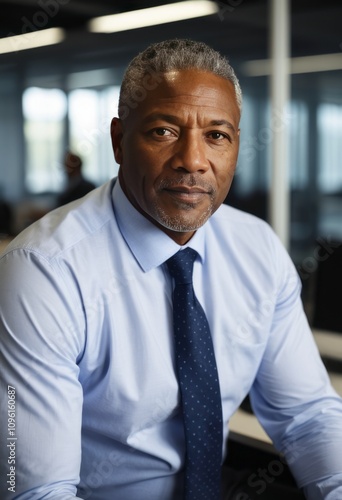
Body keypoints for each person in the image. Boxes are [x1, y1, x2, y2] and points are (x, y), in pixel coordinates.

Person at [0, 38, 341, 500]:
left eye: (217, 135)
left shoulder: (256, 247)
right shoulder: (42, 272)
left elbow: (307, 416)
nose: (193, 161)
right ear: (120, 141)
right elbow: (38, 491)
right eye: (164, 131)